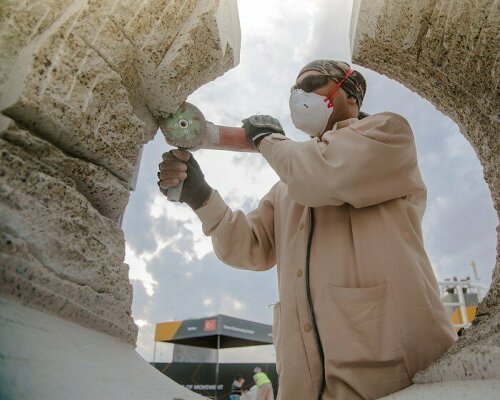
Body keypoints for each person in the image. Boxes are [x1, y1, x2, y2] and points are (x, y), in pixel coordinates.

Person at [157, 60, 457, 400]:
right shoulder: (288, 184)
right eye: (293, 91)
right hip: (306, 387)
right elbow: (249, 247)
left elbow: (322, 175)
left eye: (312, 83)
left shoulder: (387, 133)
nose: (299, 96)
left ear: (351, 93)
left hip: (391, 378)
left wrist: (267, 139)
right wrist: (201, 197)